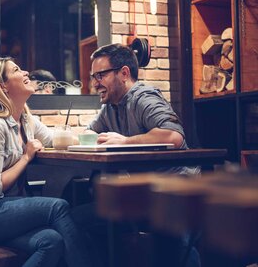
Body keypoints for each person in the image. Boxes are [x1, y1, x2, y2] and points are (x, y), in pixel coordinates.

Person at [0, 57, 94, 267]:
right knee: (57, 207)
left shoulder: (26, 121)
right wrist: (26, 157)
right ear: (2, 86)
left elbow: (55, 140)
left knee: (51, 241)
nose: (26, 72)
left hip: (6, 212)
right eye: (17, 70)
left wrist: (95, 136)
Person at [72, 44, 201, 267]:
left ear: (124, 73)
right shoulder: (110, 107)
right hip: (144, 193)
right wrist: (87, 138)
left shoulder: (143, 97)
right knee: (75, 219)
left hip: (177, 191)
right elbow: (90, 131)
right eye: (94, 76)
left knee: (171, 245)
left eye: (101, 75)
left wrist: (124, 142)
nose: (94, 83)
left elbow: (173, 136)